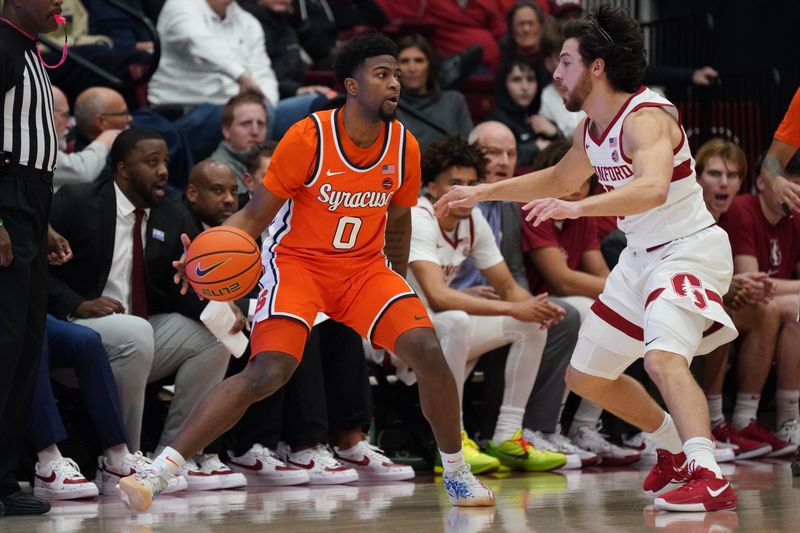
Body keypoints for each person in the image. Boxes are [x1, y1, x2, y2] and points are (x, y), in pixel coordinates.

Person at [118, 33, 495, 511]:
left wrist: (397, 290)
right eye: (382, 74)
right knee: (268, 371)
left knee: (427, 348)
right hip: (298, 267)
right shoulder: (309, 137)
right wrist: (203, 254)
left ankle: (457, 472)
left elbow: (397, 225)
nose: (395, 83)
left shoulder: (405, 146)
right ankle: (159, 471)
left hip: (364, 271)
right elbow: (253, 216)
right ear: (351, 86)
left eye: (397, 74)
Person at [435, 5, 738, 512]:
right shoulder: (591, 128)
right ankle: (671, 449)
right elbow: (558, 179)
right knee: (587, 377)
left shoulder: (647, 117)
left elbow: (651, 187)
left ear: (597, 66)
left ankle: (708, 473)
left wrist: (578, 206)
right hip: (641, 258)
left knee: (663, 359)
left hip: (688, 251)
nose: (555, 74)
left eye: (567, 62)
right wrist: (483, 191)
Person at [48, 129, 238, 492]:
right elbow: (38, 270)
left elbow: (181, 288)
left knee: (218, 335)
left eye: (166, 161)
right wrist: (77, 303)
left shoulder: (172, 215)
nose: (164, 170)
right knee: (138, 332)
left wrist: (222, 307)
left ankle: (170, 457)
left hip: (140, 333)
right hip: (76, 328)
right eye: (152, 163)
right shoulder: (78, 200)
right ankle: (120, 459)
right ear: (122, 168)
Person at [407, 135, 567, 474]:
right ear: (432, 186)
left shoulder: (471, 219)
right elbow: (438, 296)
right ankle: (452, 440)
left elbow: (508, 287)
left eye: (471, 183)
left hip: (438, 332)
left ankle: (508, 436)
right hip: (396, 336)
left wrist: (539, 308)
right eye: (454, 183)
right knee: (455, 319)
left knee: (532, 323)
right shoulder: (418, 217)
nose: (464, 191)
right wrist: (514, 308)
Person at [453, 121, 594, 469]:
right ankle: (470, 436)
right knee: (530, 315)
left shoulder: (510, 204)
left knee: (549, 317)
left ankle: (532, 431)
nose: (503, 161)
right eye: (493, 153)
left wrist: (523, 304)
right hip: (451, 304)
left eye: (511, 154)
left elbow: (513, 270)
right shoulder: (448, 203)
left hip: (492, 303)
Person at [691, 139, 794, 460]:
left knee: (761, 310)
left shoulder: (722, 218)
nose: (725, 183)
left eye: (733, 176)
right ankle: (710, 420)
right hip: (672, 307)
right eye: (715, 174)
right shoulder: (691, 214)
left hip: (704, 305)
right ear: (696, 178)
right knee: (723, 311)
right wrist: (728, 285)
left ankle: (740, 419)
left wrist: (732, 285)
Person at [0, 0, 64, 517]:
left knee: (24, 345)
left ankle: (3, 476)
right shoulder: (0, 45)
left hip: (30, 201)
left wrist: (41, 224)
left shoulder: (30, 51)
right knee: (3, 343)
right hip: (7, 200)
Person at [721, 151, 800, 449]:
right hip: (736, 301)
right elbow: (751, 281)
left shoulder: (794, 217)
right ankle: (787, 420)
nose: (794, 192)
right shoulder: (743, 209)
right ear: (762, 183)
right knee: (794, 308)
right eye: (789, 184)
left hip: (764, 304)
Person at [395, 34, 473, 148]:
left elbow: (468, 148)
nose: (412, 68)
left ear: (429, 65)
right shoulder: (388, 106)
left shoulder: (454, 101)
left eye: (419, 60)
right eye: (404, 61)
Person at [488, 57, 561, 166]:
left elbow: (568, 154)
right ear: (504, 85)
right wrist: (535, 148)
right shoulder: (495, 123)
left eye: (530, 79)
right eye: (516, 80)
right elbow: (496, 160)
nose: (525, 87)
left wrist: (555, 133)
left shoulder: (542, 121)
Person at [52, 86, 121, 191]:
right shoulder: (28, 147)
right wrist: (104, 142)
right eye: (65, 115)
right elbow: (81, 172)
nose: (69, 124)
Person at [209, 94, 269, 193]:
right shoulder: (215, 171)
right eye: (246, 124)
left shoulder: (272, 160)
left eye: (260, 124)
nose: (255, 131)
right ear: (226, 130)